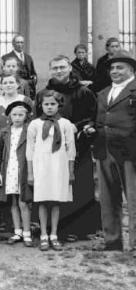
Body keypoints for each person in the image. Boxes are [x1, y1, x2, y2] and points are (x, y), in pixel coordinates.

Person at [35, 55, 99, 241]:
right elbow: (37, 119)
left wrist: (78, 127)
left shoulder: (84, 92)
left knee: (79, 186)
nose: (59, 71)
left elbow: (92, 115)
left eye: (62, 67)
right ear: (50, 71)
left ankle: (80, 228)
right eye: (55, 68)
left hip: (79, 145)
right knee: (55, 186)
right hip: (52, 149)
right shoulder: (43, 93)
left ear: (70, 68)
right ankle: (55, 228)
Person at [91, 50, 136, 253]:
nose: (114, 71)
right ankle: (112, 241)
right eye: (112, 68)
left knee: (133, 198)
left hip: (129, 152)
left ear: (131, 69)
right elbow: (101, 119)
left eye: (120, 67)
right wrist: (94, 129)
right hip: (104, 150)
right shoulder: (103, 92)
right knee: (108, 198)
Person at [27, 90, 76, 251]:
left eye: (53, 104)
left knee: (55, 200)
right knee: (42, 200)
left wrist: (70, 170)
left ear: (59, 105)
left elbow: (71, 149)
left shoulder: (65, 124)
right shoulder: (34, 124)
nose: (49, 107)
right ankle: (43, 235)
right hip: (41, 165)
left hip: (59, 165)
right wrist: (30, 172)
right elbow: (30, 150)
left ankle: (54, 234)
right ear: (40, 105)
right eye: (46, 104)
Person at [0, 100, 33, 247]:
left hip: (23, 168)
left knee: (24, 201)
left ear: (26, 116)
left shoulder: (29, 130)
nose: (17, 117)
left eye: (20, 115)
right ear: (9, 116)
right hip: (8, 168)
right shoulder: (4, 131)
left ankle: (27, 233)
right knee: (14, 201)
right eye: (14, 115)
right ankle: (17, 231)